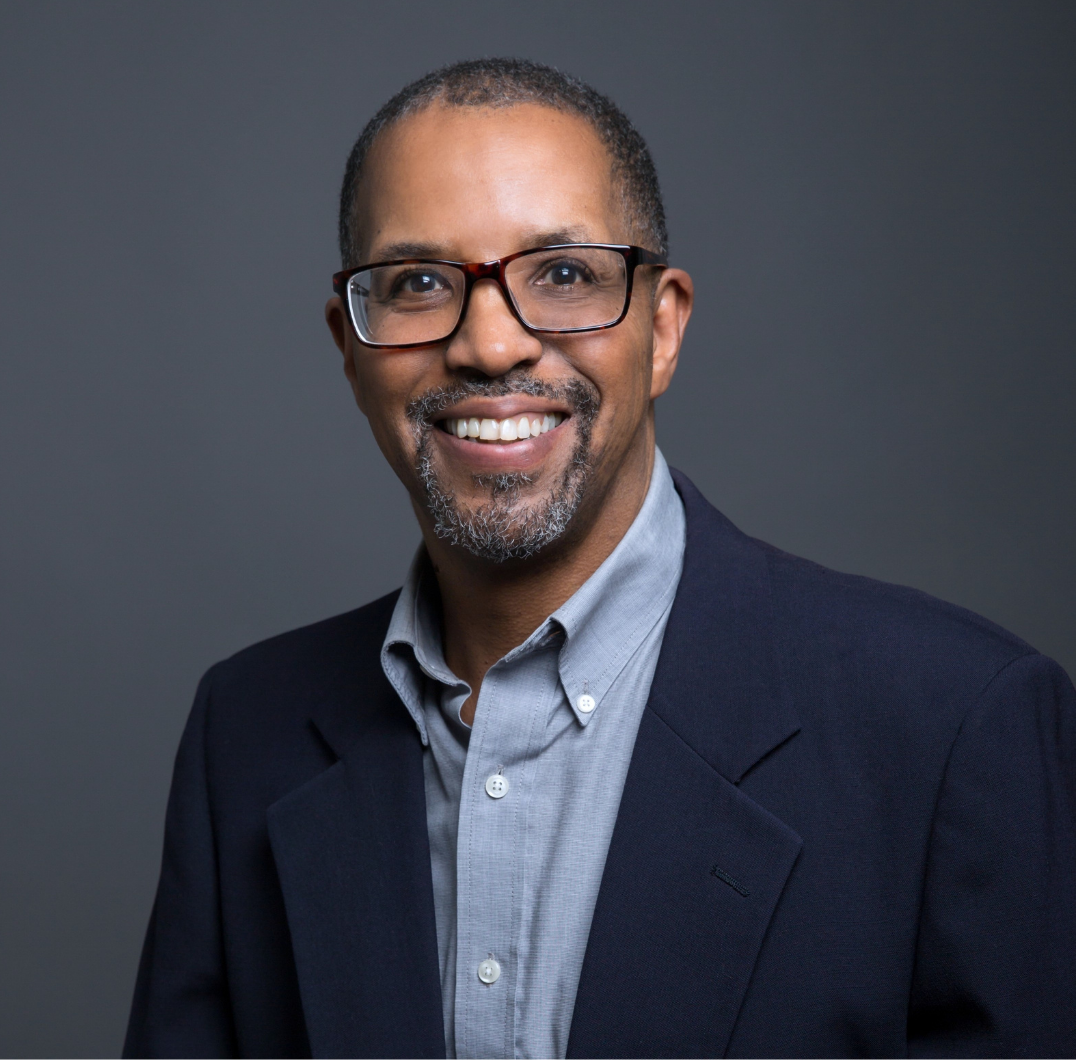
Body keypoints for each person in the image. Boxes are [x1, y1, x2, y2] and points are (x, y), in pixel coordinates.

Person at [124, 58, 1076, 1060]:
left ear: (662, 329)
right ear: (350, 345)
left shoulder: (959, 727)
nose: (490, 345)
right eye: (418, 284)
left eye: (564, 275)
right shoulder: (248, 732)